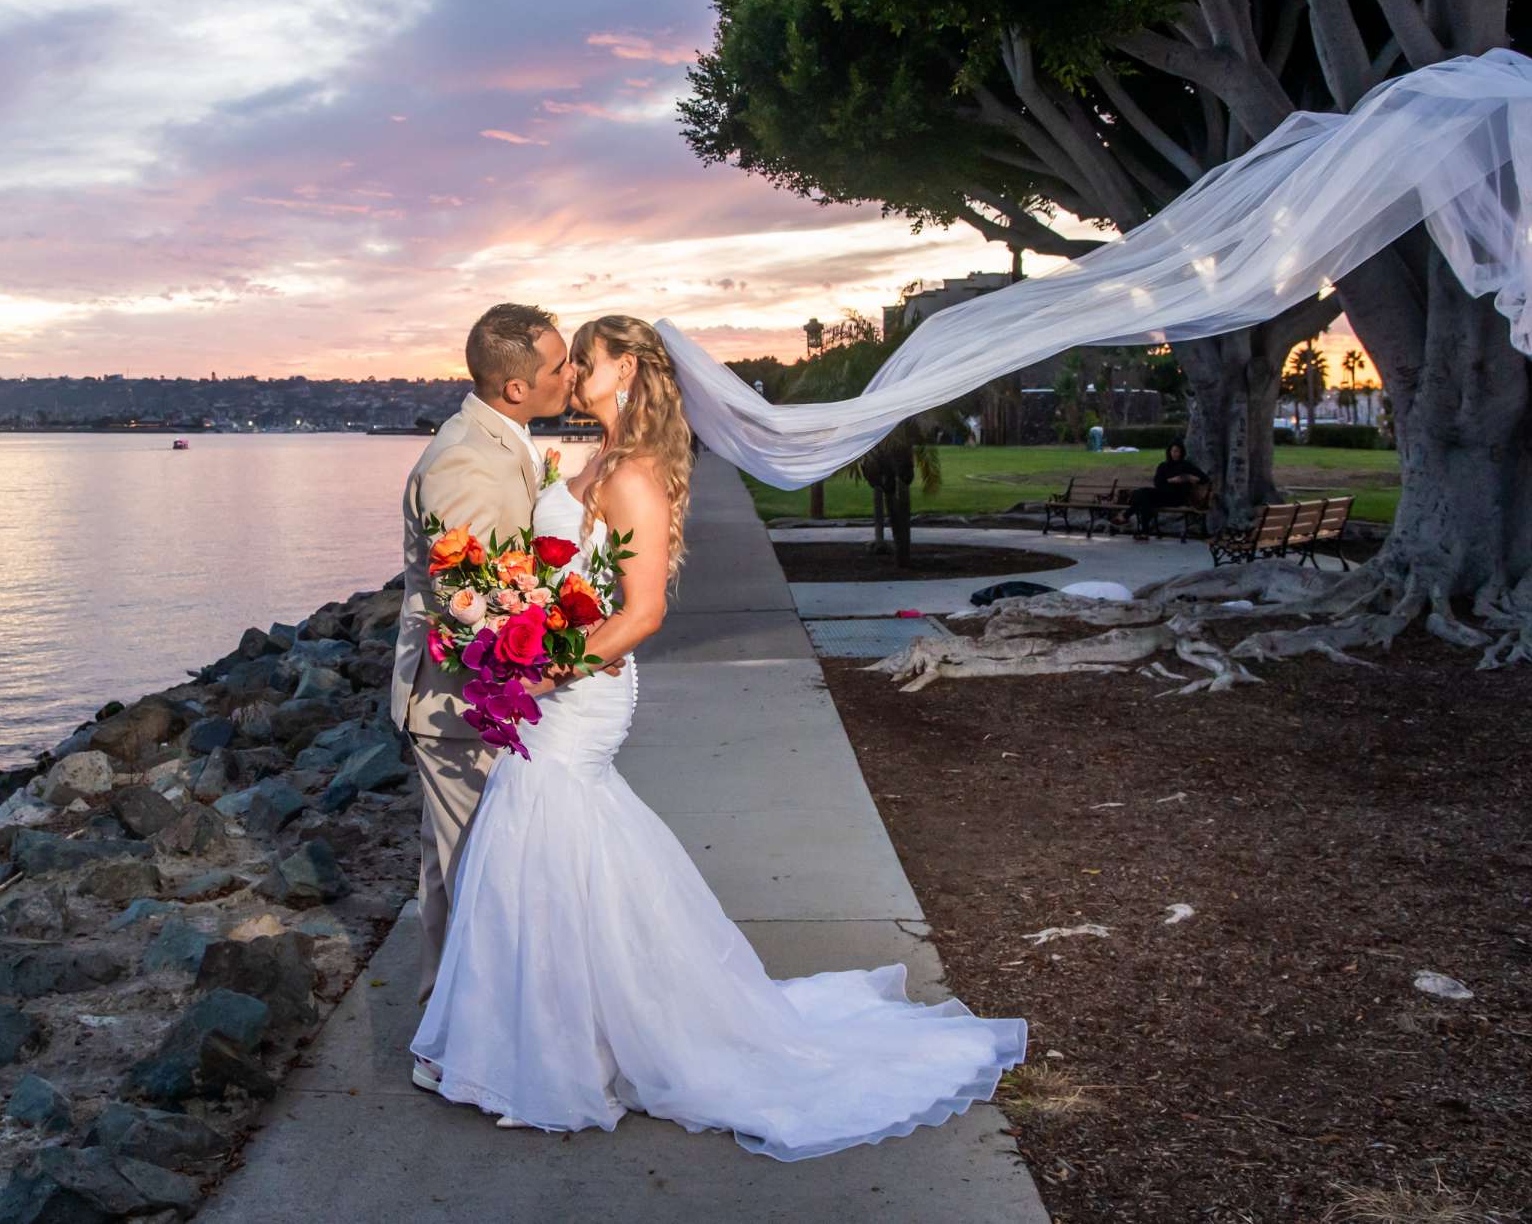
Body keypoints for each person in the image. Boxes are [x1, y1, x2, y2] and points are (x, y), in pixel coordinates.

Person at [410, 315, 1025, 1159]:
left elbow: (646, 610)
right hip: (555, 680)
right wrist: (524, 638)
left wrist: (548, 668)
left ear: (624, 369)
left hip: (580, 689)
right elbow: (544, 574)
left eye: (582, 361)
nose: (573, 374)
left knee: (545, 838)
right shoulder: (591, 461)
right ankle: (568, 1037)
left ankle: (562, 1050)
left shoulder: (632, 476)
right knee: (547, 853)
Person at [391, 304, 572, 1019]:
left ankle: (449, 1029)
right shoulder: (467, 457)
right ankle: (468, 1037)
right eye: (559, 365)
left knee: (455, 875)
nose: (571, 374)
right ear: (518, 387)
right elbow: (466, 598)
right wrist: (565, 656)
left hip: (484, 704)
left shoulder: (503, 439)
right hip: (463, 705)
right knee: (477, 877)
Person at [1119, 441, 1210, 540]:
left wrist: (1188, 477)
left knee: (1143, 497)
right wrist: (1171, 480)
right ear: (1169, 452)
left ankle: (1127, 517)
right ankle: (1143, 531)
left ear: (1182, 452)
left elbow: (1204, 479)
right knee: (1143, 496)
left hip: (1177, 497)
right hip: (1162, 494)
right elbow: (1157, 483)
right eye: (1173, 451)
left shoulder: (1186, 465)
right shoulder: (1163, 466)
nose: (1175, 454)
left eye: (1178, 451)